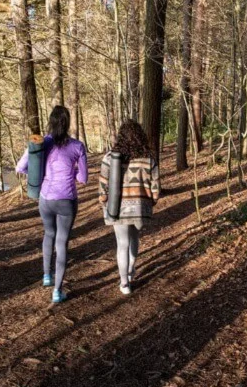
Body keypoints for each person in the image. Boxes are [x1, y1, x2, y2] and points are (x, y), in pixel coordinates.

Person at [16, 106, 88, 303]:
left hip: (45, 199)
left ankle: (46, 275)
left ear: (51, 122)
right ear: (68, 122)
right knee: (62, 241)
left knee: (49, 234)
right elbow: (83, 179)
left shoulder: (41, 143)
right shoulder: (77, 146)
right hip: (67, 200)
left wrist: (39, 174)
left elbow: (20, 167)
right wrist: (71, 173)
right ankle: (57, 290)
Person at [98, 120, 160, 295]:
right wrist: (151, 201)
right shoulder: (148, 159)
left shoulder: (110, 158)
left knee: (122, 244)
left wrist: (104, 202)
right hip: (140, 208)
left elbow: (103, 186)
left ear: (121, 137)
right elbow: (155, 187)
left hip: (118, 209)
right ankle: (131, 268)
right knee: (135, 238)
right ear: (140, 137)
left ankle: (124, 283)